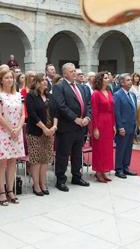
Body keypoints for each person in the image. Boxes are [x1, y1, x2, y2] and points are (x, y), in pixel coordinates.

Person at [51, 63, 92, 191]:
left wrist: (87, 118)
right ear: (65, 74)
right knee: (63, 154)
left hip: (80, 127)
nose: (75, 73)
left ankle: (76, 176)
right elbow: (61, 106)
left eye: (75, 71)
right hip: (67, 127)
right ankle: (61, 179)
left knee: (77, 153)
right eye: (72, 71)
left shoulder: (81, 87)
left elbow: (88, 104)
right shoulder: (59, 87)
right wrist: (75, 118)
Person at [0, 68, 25, 205]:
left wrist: (18, 128)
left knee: (13, 162)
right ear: (1, 80)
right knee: (2, 163)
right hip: (3, 131)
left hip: (17, 131)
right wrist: (11, 129)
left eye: (11, 77)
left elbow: (23, 114)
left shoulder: (18, 95)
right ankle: (1, 192)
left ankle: (11, 191)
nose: (10, 80)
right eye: (6, 78)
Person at [25, 73, 56, 196]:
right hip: (36, 131)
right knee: (36, 159)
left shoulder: (50, 96)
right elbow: (32, 115)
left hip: (50, 132)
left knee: (45, 159)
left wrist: (54, 127)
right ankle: (36, 185)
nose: (45, 82)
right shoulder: (31, 96)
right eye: (42, 80)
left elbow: (56, 113)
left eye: (45, 80)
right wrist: (44, 128)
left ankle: (43, 183)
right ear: (36, 83)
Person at [90, 72, 115, 182]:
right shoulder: (95, 93)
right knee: (99, 148)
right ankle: (98, 172)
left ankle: (104, 170)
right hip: (100, 122)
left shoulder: (109, 92)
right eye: (105, 78)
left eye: (108, 77)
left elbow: (112, 110)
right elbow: (94, 112)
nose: (108, 79)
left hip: (109, 121)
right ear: (100, 80)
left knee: (107, 148)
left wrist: (114, 125)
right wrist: (95, 128)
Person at [113, 74, 138, 179]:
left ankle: (126, 167)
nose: (130, 82)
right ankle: (119, 169)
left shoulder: (132, 95)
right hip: (123, 126)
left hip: (131, 125)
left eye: (130, 80)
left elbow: (134, 111)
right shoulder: (117, 95)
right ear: (122, 82)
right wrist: (120, 127)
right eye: (128, 80)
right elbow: (117, 113)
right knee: (121, 148)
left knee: (128, 148)